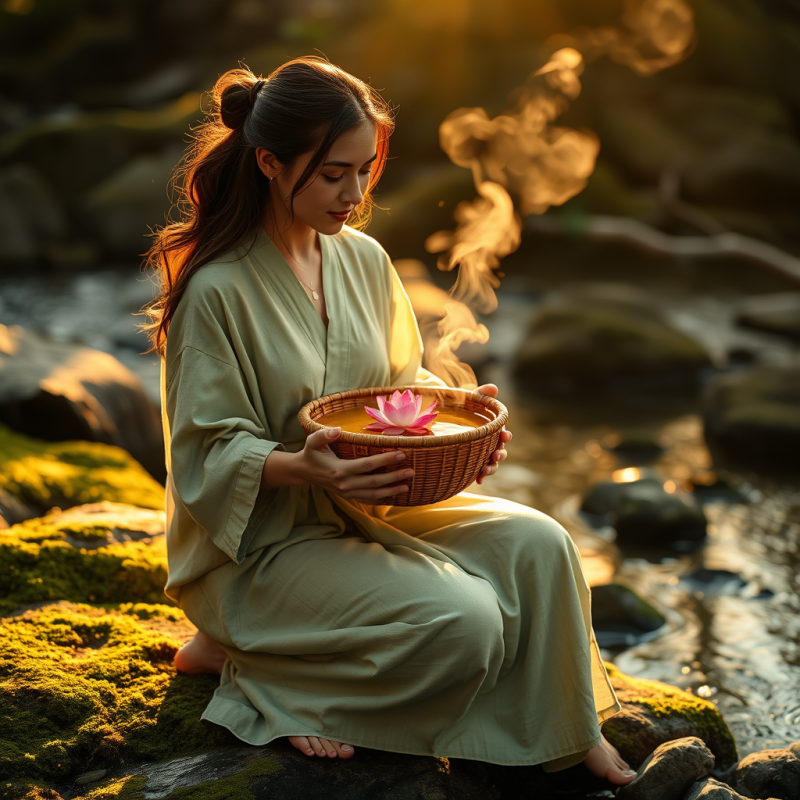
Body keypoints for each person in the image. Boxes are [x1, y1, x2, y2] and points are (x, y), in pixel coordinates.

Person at [142, 56, 637, 786]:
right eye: (334, 173)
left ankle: (570, 730)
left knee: (543, 545)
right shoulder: (215, 291)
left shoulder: (365, 261)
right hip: (260, 550)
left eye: (365, 169)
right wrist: (302, 466)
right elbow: (204, 455)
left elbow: (397, 387)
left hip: (364, 504)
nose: (355, 193)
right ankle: (275, 682)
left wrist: (460, 418)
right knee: (465, 624)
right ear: (272, 163)